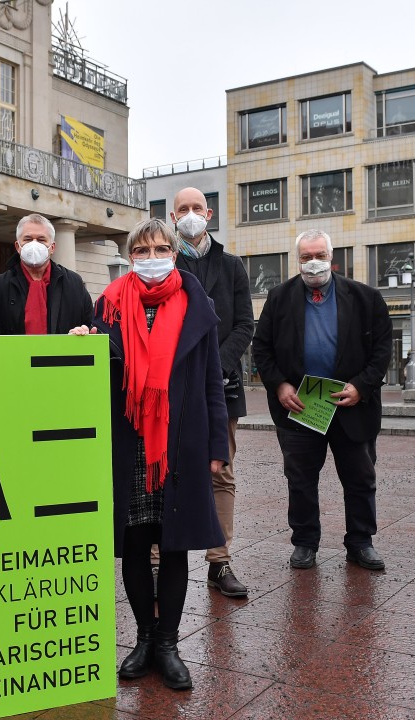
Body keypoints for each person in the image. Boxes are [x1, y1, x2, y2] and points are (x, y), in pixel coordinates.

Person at [71, 218, 228, 691]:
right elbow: (94, 373)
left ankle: (168, 643)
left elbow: (211, 383)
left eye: (161, 248)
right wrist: (82, 346)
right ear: (131, 255)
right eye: (142, 250)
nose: (152, 256)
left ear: (174, 254)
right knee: (135, 543)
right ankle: (142, 637)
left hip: (181, 440)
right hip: (129, 439)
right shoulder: (109, 304)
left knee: (175, 543)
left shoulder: (196, 303)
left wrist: (217, 446)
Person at [251, 229, 392, 572]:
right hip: (300, 404)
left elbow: (382, 351)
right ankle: (304, 542)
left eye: (319, 256)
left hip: (351, 404)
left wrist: (361, 386)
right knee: (300, 478)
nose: (313, 263)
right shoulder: (279, 297)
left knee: (359, 477)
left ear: (332, 257)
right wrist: (280, 386)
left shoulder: (365, 298)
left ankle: (360, 542)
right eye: (305, 257)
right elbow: (262, 348)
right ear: (296, 259)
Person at [170, 187, 254, 597]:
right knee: (163, 470)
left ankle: (219, 563)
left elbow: (244, 325)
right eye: (182, 209)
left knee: (222, 472)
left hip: (223, 385)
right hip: (173, 383)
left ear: (209, 213)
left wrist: (215, 365)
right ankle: (158, 561)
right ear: (172, 217)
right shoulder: (162, 262)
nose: (190, 215)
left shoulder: (232, 265)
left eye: (196, 208)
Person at [0, 213, 92, 335]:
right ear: (18, 246)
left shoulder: (73, 284)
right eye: (27, 239)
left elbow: (90, 325)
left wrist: (84, 333)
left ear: (52, 247)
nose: (34, 244)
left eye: (41, 240)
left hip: (62, 354)